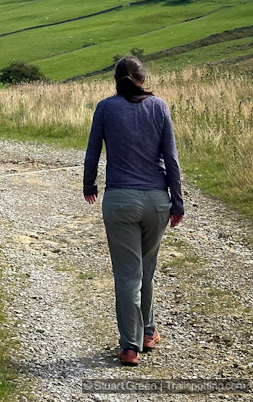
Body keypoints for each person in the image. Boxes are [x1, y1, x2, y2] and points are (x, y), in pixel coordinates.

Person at [83, 56, 184, 366]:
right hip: (157, 201)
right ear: (143, 78)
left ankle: (130, 346)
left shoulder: (105, 107)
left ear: (115, 80)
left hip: (120, 200)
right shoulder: (160, 106)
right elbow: (171, 157)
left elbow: (92, 151)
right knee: (147, 270)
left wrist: (89, 186)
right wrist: (177, 202)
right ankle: (148, 333)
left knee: (128, 275)